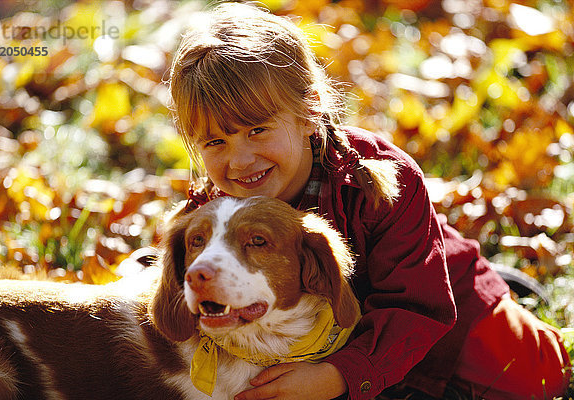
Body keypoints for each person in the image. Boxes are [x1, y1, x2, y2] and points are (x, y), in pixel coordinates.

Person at [166, 2, 571, 399]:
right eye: (216, 142)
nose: (239, 161)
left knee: (538, 376)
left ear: (309, 112)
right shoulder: (211, 208)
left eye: (257, 131)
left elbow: (416, 306)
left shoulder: (381, 179)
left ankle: (483, 275)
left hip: (421, 295)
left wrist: (338, 376)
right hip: (318, 332)